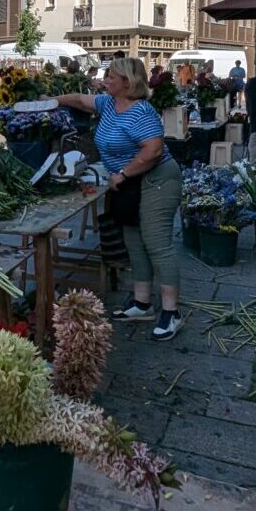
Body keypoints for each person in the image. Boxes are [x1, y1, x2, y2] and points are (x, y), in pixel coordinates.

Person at [58, 58, 182, 340]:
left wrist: (123, 173)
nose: (105, 79)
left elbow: (153, 150)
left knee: (157, 242)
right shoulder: (108, 104)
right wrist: (50, 100)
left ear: (127, 82)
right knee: (134, 239)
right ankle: (141, 304)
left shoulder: (141, 112)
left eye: (111, 76)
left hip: (157, 179)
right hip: (128, 182)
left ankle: (172, 312)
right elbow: (80, 99)